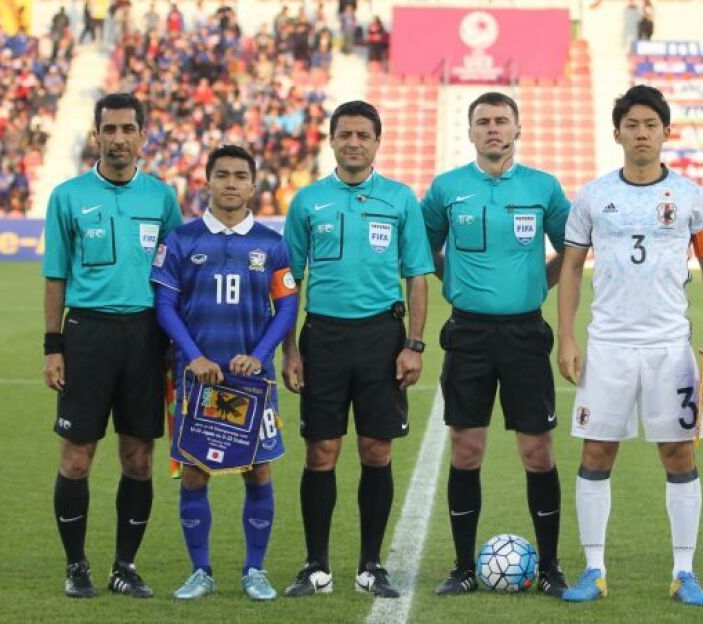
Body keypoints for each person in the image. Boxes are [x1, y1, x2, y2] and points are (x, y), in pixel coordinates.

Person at [557, 85, 703, 606]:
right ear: (617, 134)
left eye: (651, 125)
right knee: (596, 451)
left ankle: (684, 573)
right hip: (608, 345)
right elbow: (570, 269)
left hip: (670, 348)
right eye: (632, 125)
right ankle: (594, 570)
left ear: (666, 132)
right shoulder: (592, 196)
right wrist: (567, 335)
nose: (642, 134)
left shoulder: (691, 197)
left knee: (678, 452)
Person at [421, 91, 571, 598]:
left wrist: (540, 282)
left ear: (517, 129)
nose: (492, 128)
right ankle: (463, 567)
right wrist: (453, 279)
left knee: (537, 450)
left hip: (526, 333)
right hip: (468, 333)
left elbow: (573, 249)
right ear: (469, 131)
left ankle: (550, 567)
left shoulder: (543, 187)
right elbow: (422, 246)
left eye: (501, 120)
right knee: (467, 448)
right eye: (483, 121)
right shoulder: (447, 188)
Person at [281, 100, 433, 599]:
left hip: (381, 339)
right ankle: (316, 566)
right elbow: (288, 282)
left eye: (363, 135)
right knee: (321, 451)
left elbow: (417, 275)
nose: (353, 143)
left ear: (377, 142)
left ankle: (371, 565)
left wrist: (413, 344)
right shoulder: (308, 202)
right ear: (331, 140)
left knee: (376, 450)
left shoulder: (400, 199)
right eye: (344, 134)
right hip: (323, 337)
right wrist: (290, 350)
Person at [41, 92, 182, 598]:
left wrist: (176, 345)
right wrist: (53, 346)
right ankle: (76, 565)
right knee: (77, 458)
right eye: (109, 129)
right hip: (87, 335)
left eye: (127, 129)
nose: (118, 139)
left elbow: (175, 276)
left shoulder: (162, 198)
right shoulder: (68, 196)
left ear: (143, 136)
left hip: (145, 337)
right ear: (95, 134)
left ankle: (125, 566)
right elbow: (55, 276)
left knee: (138, 459)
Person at [150, 145, 298, 601]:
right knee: (195, 474)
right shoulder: (181, 240)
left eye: (239, 176)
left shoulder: (272, 243)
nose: (231, 183)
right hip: (198, 379)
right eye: (222, 175)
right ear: (207, 182)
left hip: (253, 381)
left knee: (259, 472)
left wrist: (260, 354)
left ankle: (255, 570)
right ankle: (201, 571)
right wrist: (193, 356)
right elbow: (164, 305)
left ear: (253, 186)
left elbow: (287, 306)